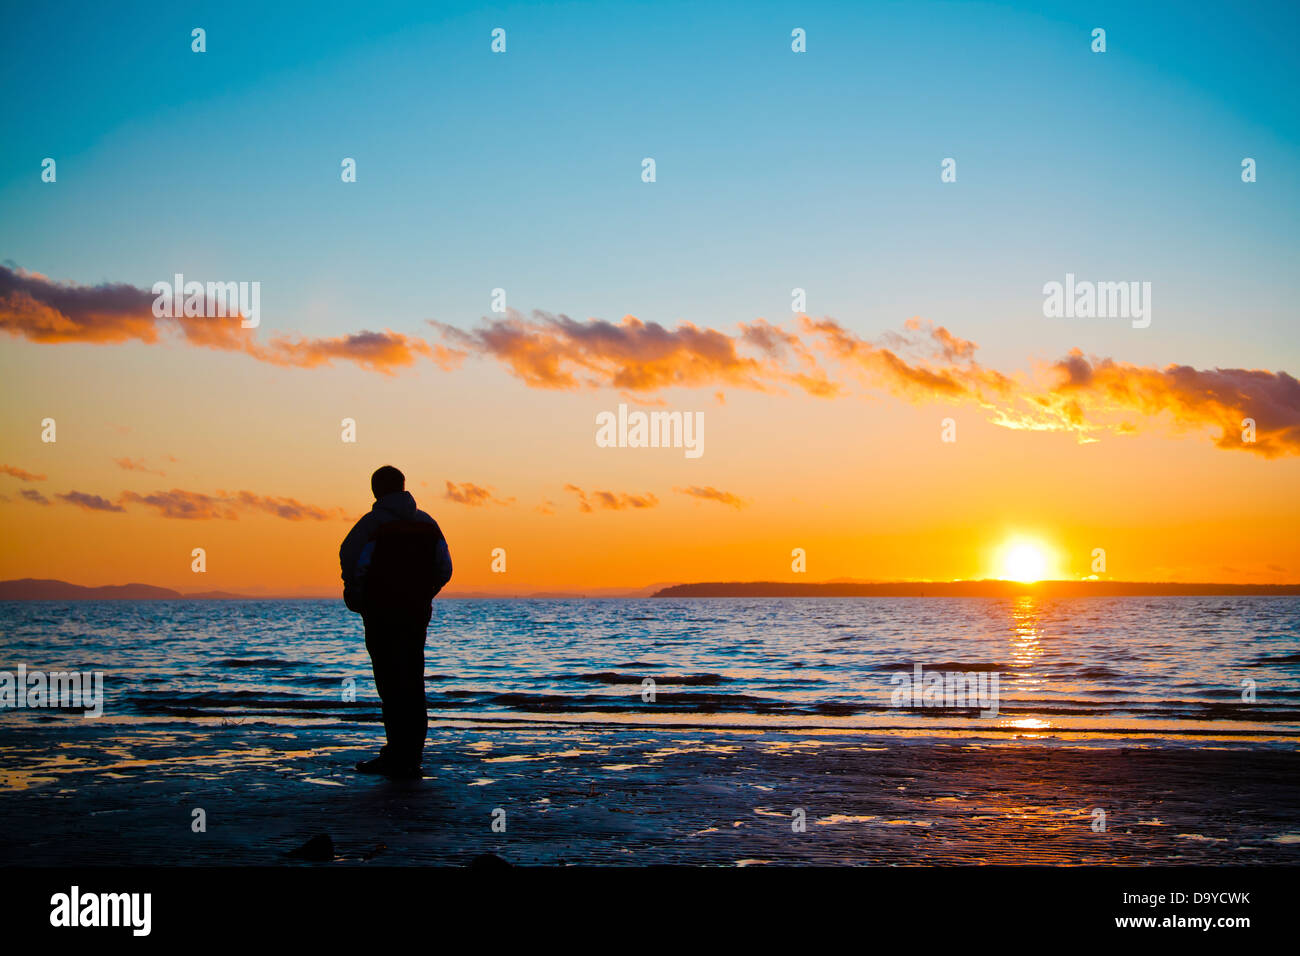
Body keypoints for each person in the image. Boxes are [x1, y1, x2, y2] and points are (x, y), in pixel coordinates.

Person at [340, 466, 453, 778]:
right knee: (413, 680)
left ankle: (397, 754)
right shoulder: (427, 523)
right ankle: (411, 754)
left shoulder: (371, 525)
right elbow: (444, 568)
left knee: (390, 682)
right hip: (416, 613)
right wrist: (425, 593)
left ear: (376, 491)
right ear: (402, 487)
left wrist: (358, 596)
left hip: (381, 613)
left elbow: (352, 562)